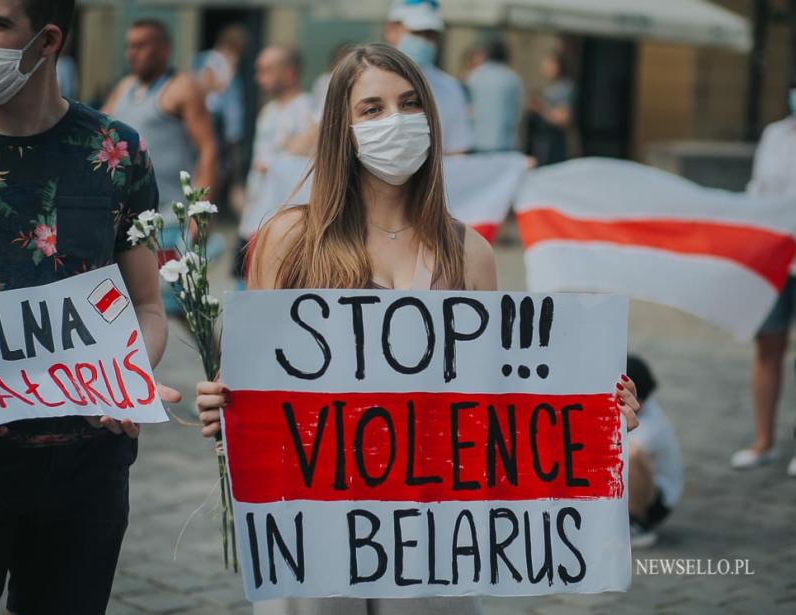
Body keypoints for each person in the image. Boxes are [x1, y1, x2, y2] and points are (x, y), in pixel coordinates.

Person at [196, 43, 641, 615]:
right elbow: (262, 383)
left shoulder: (469, 254)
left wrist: (590, 415)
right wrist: (226, 404)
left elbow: (496, 402)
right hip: (317, 521)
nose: (396, 122)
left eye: (410, 105)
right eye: (373, 109)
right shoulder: (288, 240)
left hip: (432, 525)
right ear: (342, 128)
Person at [0, 1, 181, 614]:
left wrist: (132, 382)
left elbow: (148, 306)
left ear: (47, 40)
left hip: (87, 470)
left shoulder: (116, 152)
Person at [732, 76, 796, 477]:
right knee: (767, 349)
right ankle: (764, 440)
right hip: (775, 262)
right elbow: (756, 192)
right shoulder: (775, 135)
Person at [103, 19, 217, 216]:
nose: (131, 53)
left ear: (163, 50)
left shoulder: (183, 87)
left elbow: (208, 149)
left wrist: (201, 209)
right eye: (129, 46)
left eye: (140, 46)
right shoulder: (124, 86)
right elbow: (97, 133)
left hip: (169, 213)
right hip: (125, 212)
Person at [232, 45, 316, 285]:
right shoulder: (268, 111)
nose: (259, 79)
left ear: (290, 73)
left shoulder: (309, 110)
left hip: (282, 225)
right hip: (253, 219)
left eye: (266, 71)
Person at [384, 0, 472, 154]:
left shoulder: (450, 89)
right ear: (392, 30)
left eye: (431, 35)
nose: (424, 41)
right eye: (417, 32)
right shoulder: (362, 82)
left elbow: (457, 151)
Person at [626, 356, 683, 549]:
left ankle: (637, 523)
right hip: (640, 486)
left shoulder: (652, 426)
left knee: (628, 454)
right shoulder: (638, 408)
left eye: (638, 400)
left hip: (656, 502)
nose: (636, 406)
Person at [192, 23, 247, 215]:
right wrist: (228, 72)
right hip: (216, 122)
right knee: (215, 168)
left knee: (225, 171)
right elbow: (204, 85)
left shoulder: (218, 61)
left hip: (228, 126)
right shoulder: (212, 60)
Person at [466, 39, 524, 152]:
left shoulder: (475, 76)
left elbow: (468, 109)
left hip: (478, 141)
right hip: (506, 142)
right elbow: (518, 112)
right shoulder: (513, 78)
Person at [527, 51, 575, 166]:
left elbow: (561, 119)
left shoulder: (564, 88)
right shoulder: (551, 87)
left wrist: (540, 108)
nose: (545, 67)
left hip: (553, 144)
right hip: (542, 142)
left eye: (549, 64)